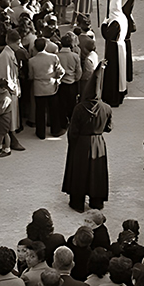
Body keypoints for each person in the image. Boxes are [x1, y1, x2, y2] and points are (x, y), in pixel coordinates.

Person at [62, 62, 112, 213]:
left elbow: (73, 131)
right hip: (98, 143)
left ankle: (77, 202)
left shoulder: (79, 108)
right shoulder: (106, 108)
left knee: (79, 172)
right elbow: (108, 128)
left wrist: (73, 145)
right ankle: (97, 201)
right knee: (96, 172)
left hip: (81, 144)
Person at [28, 37, 65, 140]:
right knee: (54, 110)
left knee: (40, 110)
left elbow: (30, 76)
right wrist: (57, 78)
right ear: (46, 46)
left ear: (35, 47)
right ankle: (55, 130)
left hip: (38, 87)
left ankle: (41, 133)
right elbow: (61, 71)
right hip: (51, 86)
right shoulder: (53, 57)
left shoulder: (31, 61)